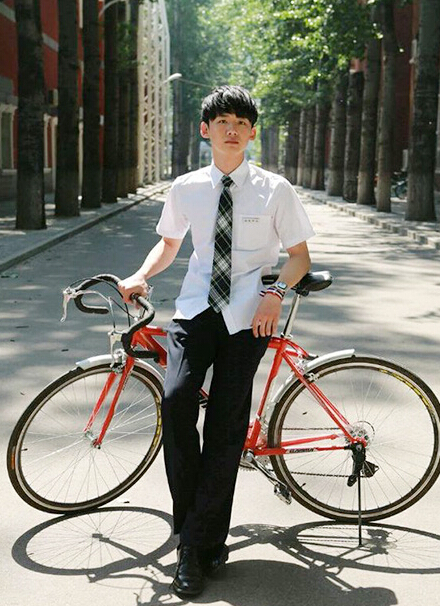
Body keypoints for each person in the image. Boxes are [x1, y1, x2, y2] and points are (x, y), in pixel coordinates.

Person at [118, 85, 314, 598]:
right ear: (206, 130)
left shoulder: (275, 189)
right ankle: (198, 533)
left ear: (252, 132)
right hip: (195, 309)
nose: (232, 129)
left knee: (226, 430)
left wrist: (274, 293)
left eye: (241, 122)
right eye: (223, 121)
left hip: (250, 318)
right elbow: (169, 244)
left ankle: (195, 546)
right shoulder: (186, 187)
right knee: (176, 401)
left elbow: (299, 256)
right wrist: (141, 274)